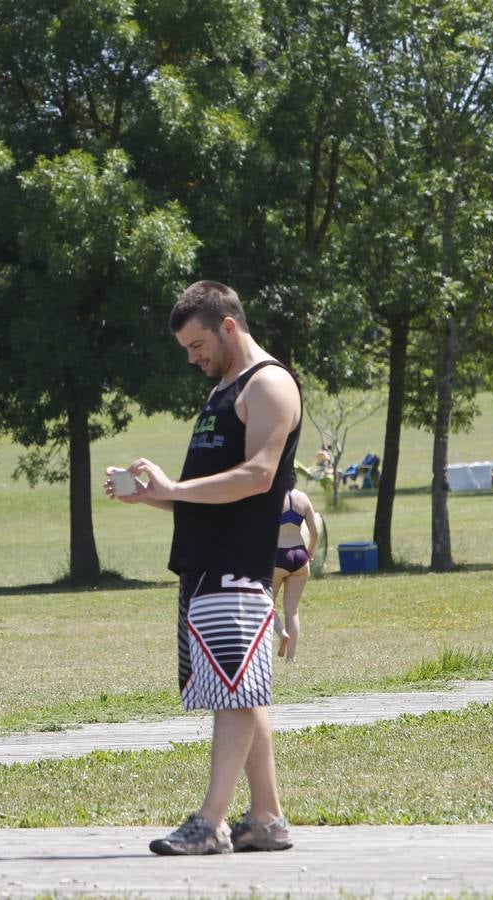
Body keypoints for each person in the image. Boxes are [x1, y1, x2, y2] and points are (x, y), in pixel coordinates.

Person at [107, 279, 300, 856]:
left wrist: (176, 488)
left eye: (198, 345)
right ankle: (266, 818)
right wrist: (155, 495)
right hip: (206, 566)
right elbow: (208, 489)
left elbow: (261, 475)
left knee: (235, 694)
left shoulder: (268, 384)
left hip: (239, 566)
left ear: (229, 327)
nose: (193, 357)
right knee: (243, 690)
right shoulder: (224, 388)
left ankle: (210, 822)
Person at [273, 488, 319, 661]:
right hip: (300, 556)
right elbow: (314, 533)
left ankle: (281, 633)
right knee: (292, 611)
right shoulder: (303, 497)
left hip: (277, 555)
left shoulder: (273, 496)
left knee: (266, 605)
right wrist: (310, 552)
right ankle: (290, 659)